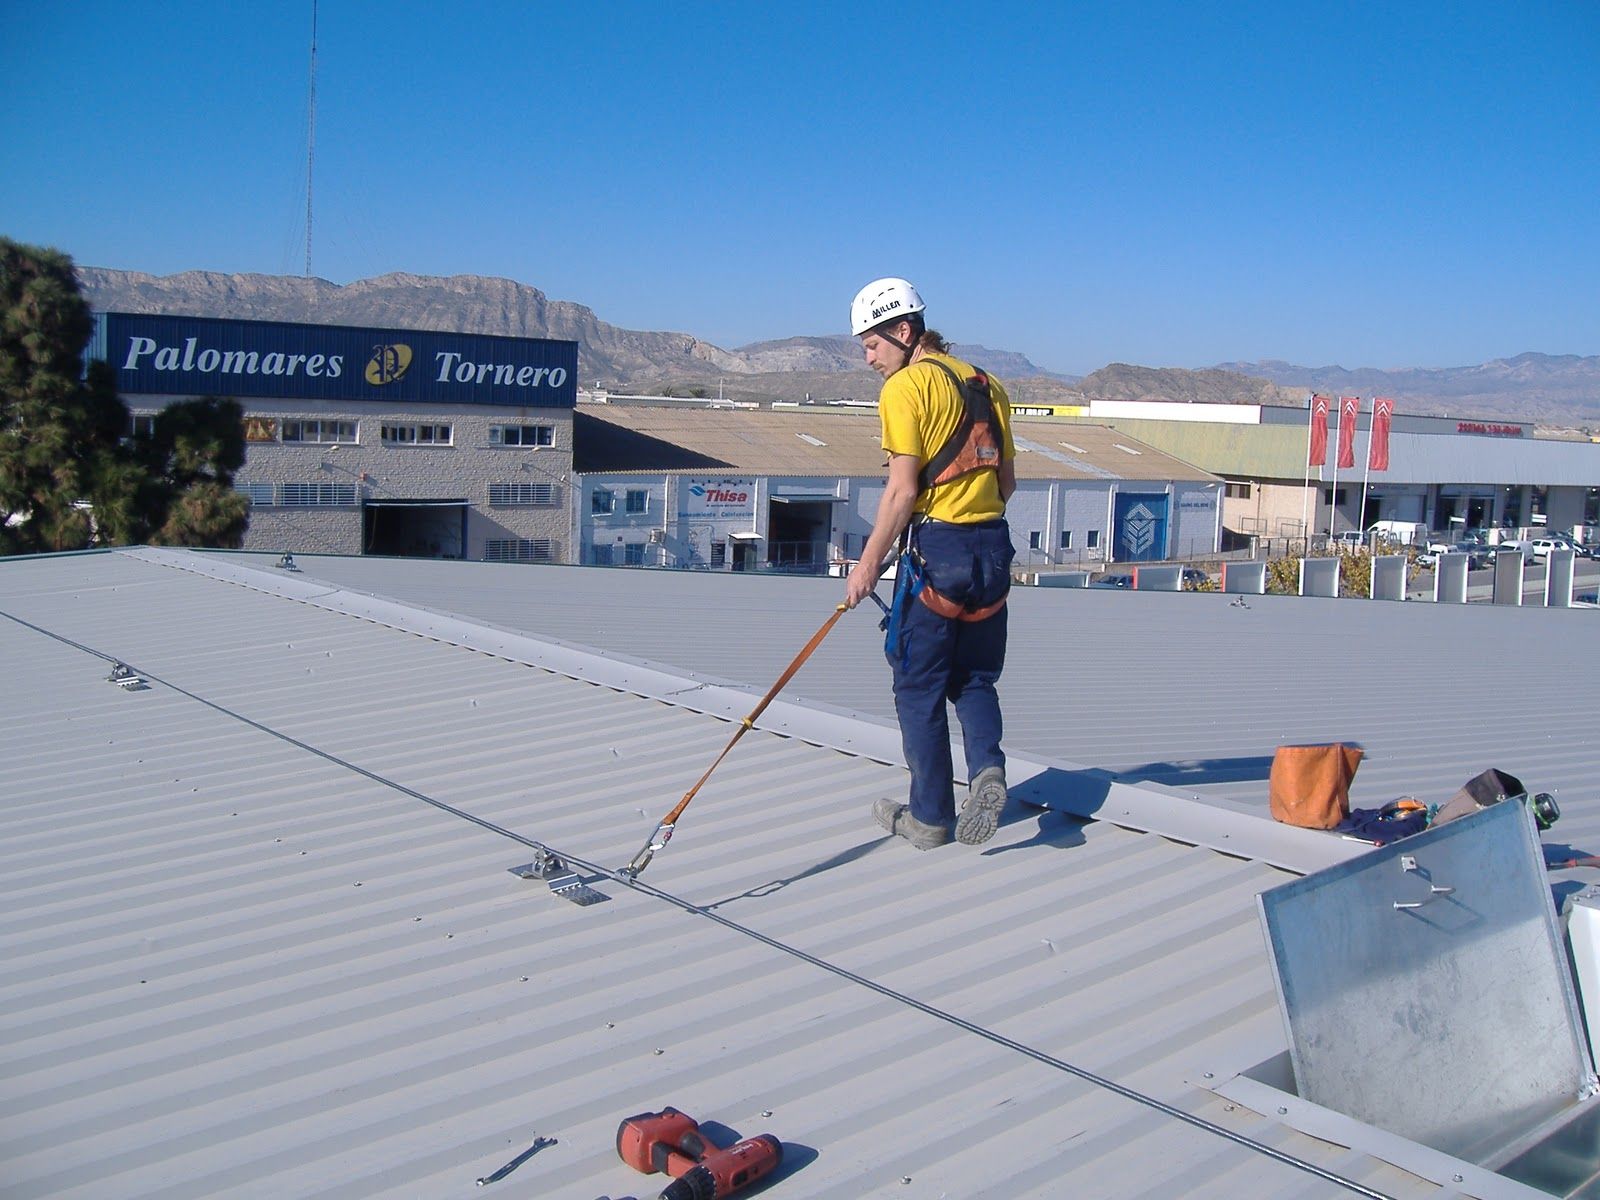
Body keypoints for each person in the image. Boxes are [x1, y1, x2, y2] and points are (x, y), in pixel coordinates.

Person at [842, 277, 1017, 849]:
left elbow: (900, 491)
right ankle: (987, 769)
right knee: (974, 677)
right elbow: (1006, 480)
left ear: (902, 330)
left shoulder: (904, 389)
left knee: (917, 686)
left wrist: (868, 566)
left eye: (872, 344)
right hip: (992, 550)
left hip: (939, 554)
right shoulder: (987, 385)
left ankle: (930, 817)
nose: (869, 358)